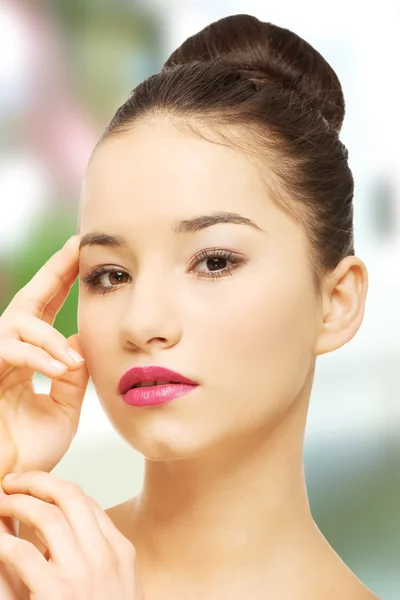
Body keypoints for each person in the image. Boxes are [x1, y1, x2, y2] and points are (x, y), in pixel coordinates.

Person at [0, 13, 381, 600]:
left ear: (336, 302)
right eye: (111, 274)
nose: (144, 323)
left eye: (214, 262)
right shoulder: (31, 571)